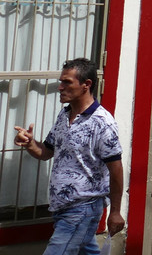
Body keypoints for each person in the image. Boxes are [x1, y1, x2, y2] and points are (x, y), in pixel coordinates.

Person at [13, 58, 125, 254]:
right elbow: (46, 152)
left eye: (67, 82)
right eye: (61, 81)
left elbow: (116, 169)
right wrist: (30, 143)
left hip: (83, 208)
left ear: (86, 85)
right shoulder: (64, 115)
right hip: (63, 208)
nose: (60, 87)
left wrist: (115, 212)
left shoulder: (102, 123)